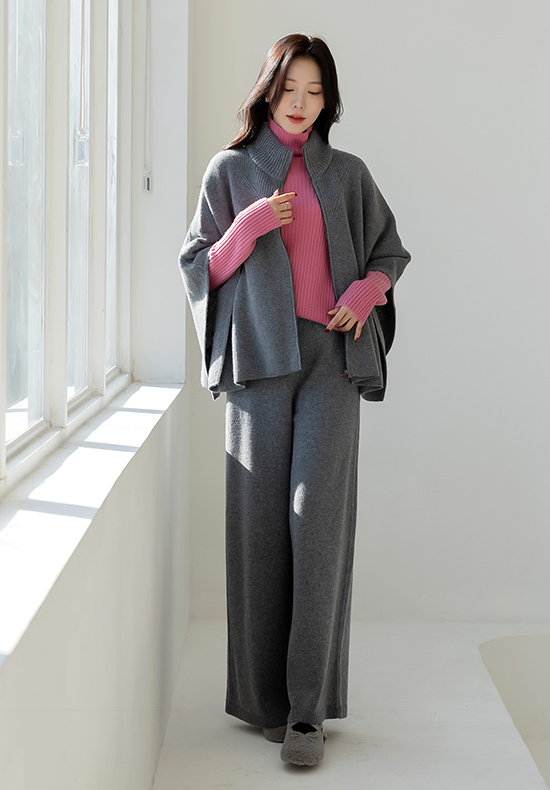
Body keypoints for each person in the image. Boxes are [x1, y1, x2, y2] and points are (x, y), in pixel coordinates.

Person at [179, 33, 411, 767]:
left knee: (318, 529)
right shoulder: (231, 170)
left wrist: (367, 292)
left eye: (315, 91)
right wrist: (246, 228)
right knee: (258, 530)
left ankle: (307, 714)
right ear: (268, 91)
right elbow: (198, 267)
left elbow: (390, 252)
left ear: (327, 99)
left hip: (332, 364)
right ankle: (263, 702)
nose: (301, 103)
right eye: (290, 89)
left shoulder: (348, 174)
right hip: (259, 363)